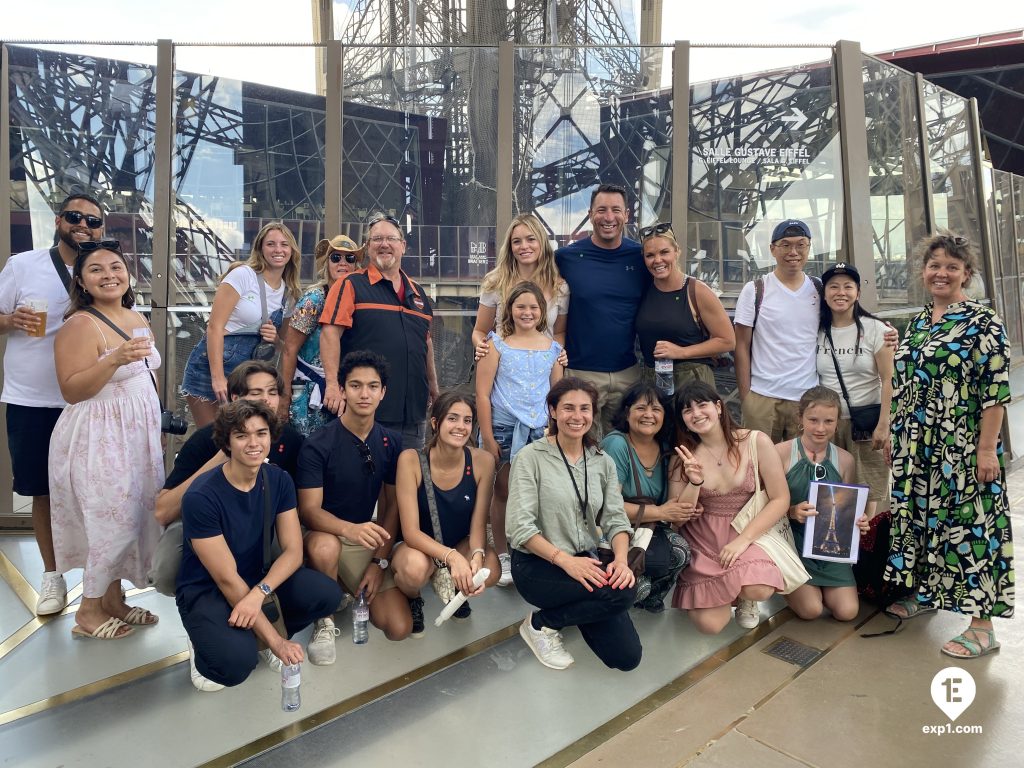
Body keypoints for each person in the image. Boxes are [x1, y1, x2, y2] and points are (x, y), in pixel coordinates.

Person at [883, 232, 1014, 659]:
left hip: (959, 444)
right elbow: (904, 384)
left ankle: (981, 626)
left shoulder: (983, 322)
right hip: (915, 444)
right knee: (922, 521)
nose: (941, 273)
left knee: (969, 526)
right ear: (923, 272)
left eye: (951, 267)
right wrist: (895, 433)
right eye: (934, 265)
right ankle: (925, 593)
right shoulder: (919, 322)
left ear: (967, 274)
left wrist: (987, 449)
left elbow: (995, 392)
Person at [177, 400, 341, 691]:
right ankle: (204, 638)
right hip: (208, 589)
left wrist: (259, 593)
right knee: (234, 665)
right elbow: (226, 578)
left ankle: (255, 632)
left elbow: (293, 551)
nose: (253, 443)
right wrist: (277, 641)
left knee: (327, 594)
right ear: (227, 442)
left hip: (255, 579)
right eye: (241, 435)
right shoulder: (201, 496)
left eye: (261, 433)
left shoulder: (278, 479)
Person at [49, 239, 163, 639]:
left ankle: (114, 599)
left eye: (115, 267)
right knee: (108, 521)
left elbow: (148, 373)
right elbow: (72, 390)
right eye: (96, 269)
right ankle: (89, 610)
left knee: (133, 516)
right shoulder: (80, 324)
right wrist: (113, 358)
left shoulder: (135, 316)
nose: (109, 275)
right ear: (80, 282)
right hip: (99, 438)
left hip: (136, 436)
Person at [0, 193, 104, 615]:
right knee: (41, 490)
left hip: (89, 399)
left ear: (101, 229)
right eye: (75, 217)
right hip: (32, 399)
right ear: (59, 220)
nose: (83, 225)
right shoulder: (23, 265)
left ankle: (102, 582)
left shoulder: (103, 269)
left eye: (93, 221)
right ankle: (52, 576)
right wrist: (10, 321)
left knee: (97, 489)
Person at [506, 377, 641, 672]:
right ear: (553, 411)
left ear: (593, 413)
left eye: (584, 409)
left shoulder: (601, 461)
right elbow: (520, 528)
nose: (577, 417)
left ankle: (572, 610)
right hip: (538, 564)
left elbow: (616, 519)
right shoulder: (530, 458)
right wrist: (565, 562)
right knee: (622, 593)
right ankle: (542, 624)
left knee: (626, 658)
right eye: (568, 408)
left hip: (584, 560)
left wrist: (620, 561)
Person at [148, 361, 305, 596]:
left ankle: (264, 607)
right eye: (256, 393)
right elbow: (163, 512)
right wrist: (225, 454)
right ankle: (201, 606)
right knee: (166, 571)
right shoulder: (205, 439)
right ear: (235, 397)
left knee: (297, 561)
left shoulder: (291, 441)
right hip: (205, 522)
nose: (266, 400)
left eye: (272, 392)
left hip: (262, 525)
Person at [298, 350, 412, 663]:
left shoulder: (391, 441)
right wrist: (350, 529)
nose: (364, 394)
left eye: (373, 386)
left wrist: (379, 563)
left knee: (398, 627)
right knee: (324, 548)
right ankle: (324, 616)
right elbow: (309, 511)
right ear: (343, 389)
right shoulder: (318, 443)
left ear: (383, 392)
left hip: (365, 539)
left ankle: (347, 588)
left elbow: (392, 506)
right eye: (356, 385)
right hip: (326, 534)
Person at [669, 381, 792, 634]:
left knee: (758, 588)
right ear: (682, 419)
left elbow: (781, 498)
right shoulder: (682, 456)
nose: (696, 413)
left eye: (702, 405)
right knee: (711, 626)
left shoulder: (755, 441)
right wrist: (694, 482)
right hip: (702, 537)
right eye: (687, 410)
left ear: (718, 407)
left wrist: (743, 541)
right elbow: (677, 520)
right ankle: (727, 589)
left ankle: (744, 593)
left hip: (747, 529)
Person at [320, 214, 439, 449]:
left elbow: (426, 344)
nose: (384, 244)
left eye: (391, 239)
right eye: (377, 239)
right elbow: (330, 335)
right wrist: (332, 385)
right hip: (366, 411)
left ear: (403, 246)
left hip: (412, 414)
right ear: (367, 247)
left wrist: (435, 389)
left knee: (407, 480)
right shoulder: (350, 285)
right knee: (365, 481)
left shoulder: (419, 294)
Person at [475, 282, 564, 586]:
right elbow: (483, 394)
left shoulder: (553, 350)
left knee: (536, 494)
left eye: (533, 307)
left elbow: (556, 398)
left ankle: (529, 547)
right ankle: (501, 551)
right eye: (520, 306)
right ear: (510, 310)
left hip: (539, 431)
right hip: (503, 428)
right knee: (501, 491)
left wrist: (554, 433)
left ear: (542, 312)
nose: (527, 312)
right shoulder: (496, 344)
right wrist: (487, 437)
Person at [181, 221, 302, 428]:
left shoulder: (290, 293)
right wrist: (217, 378)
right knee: (214, 442)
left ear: (292, 251)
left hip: (250, 378)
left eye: (284, 244)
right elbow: (214, 327)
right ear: (260, 249)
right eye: (271, 244)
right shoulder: (243, 275)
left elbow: (285, 347)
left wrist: (274, 339)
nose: (278, 250)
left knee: (242, 437)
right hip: (212, 368)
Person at [393, 393, 500, 623]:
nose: (460, 426)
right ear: (435, 423)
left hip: (458, 542)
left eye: (467, 420)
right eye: (452, 418)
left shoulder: (483, 461)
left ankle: (457, 591)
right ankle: (413, 597)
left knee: (491, 568)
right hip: (418, 546)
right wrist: (451, 557)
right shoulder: (411, 460)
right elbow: (410, 532)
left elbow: (479, 523)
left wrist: (477, 558)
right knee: (414, 568)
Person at [555, 183, 648, 437]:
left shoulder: (641, 257)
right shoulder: (566, 258)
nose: (609, 218)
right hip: (580, 374)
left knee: (625, 452)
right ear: (590, 213)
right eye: (602, 210)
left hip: (628, 373)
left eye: (616, 210)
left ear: (627, 215)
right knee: (583, 452)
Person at [775, 386, 867, 622]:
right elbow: (761, 504)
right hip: (791, 542)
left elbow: (846, 506)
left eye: (828, 421)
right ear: (800, 418)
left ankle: (815, 588)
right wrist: (791, 510)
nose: (820, 428)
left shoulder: (845, 460)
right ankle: (783, 582)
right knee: (811, 610)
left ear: (837, 423)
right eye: (813, 420)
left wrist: (858, 520)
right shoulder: (781, 454)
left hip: (829, 548)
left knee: (848, 612)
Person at [599, 382, 692, 612]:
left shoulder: (665, 447)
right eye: (641, 408)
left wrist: (683, 508)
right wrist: (660, 512)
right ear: (627, 412)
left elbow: (672, 506)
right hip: (610, 529)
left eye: (656, 409)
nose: (648, 415)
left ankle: (646, 597)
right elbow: (606, 506)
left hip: (646, 528)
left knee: (680, 551)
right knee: (635, 586)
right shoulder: (617, 443)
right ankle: (622, 597)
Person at [815, 263, 894, 517]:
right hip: (828, 424)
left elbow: (889, 379)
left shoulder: (876, 329)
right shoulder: (816, 330)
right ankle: (836, 547)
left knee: (866, 487)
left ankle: (864, 547)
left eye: (848, 287)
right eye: (834, 287)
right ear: (824, 293)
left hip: (865, 423)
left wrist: (884, 423)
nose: (841, 292)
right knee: (832, 490)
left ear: (858, 293)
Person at [733, 220, 820, 443]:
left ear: (809, 247)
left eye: (801, 245)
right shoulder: (755, 290)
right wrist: (746, 398)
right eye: (785, 245)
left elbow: (847, 317)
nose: (793, 252)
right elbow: (741, 345)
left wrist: (881, 329)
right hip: (762, 396)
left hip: (806, 397)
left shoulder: (819, 289)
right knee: (759, 469)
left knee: (801, 469)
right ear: (772, 249)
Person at [279, 234, 363, 435]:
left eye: (349, 258)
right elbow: (290, 349)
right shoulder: (314, 299)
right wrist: (284, 396)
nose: (342, 263)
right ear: (327, 264)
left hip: (344, 391)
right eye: (336, 257)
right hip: (310, 393)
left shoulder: (359, 298)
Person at [635, 223, 735, 390]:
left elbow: (727, 341)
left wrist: (681, 352)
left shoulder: (697, 291)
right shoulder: (643, 291)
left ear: (677, 252)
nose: (658, 260)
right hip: (653, 381)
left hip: (692, 383)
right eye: (650, 255)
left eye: (664, 252)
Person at [471, 213, 568, 356]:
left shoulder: (559, 287)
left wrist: (555, 354)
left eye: (531, 239)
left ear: (542, 242)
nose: (524, 246)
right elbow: (480, 331)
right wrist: (481, 346)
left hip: (542, 372)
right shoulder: (495, 283)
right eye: (516, 241)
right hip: (503, 369)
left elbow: (559, 333)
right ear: (510, 247)